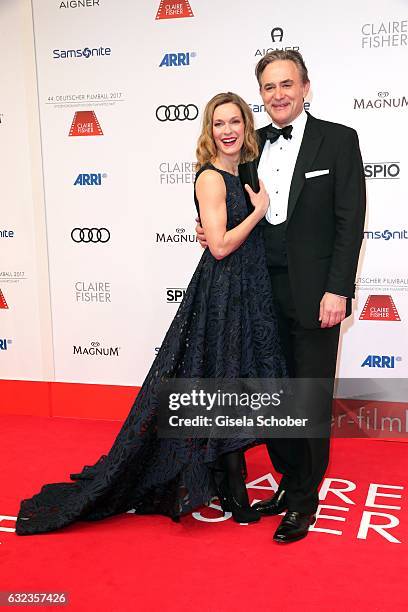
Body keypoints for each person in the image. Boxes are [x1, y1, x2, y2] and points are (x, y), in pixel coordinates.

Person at [16, 92, 286, 536]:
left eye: (235, 121)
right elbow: (218, 246)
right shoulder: (212, 179)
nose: (228, 130)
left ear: (246, 125)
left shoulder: (241, 172)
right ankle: (236, 497)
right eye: (219, 123)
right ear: (209, 131)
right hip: (223, 294)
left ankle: (225, 484)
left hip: (245, 291)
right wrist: (258, 212)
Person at [197, 51, 366, 543]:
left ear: (306, 87)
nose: (278, 95)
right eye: (269, 88)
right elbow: (227, 204)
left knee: (309, 397)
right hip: (258, 293)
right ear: (261, 95)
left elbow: (348, 222)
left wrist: (338, 288)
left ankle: (304, 501)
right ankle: (289, 481)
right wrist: (210, 231)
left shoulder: (338, 140)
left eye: (287, 85)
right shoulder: (252, 149)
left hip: (317, 296)